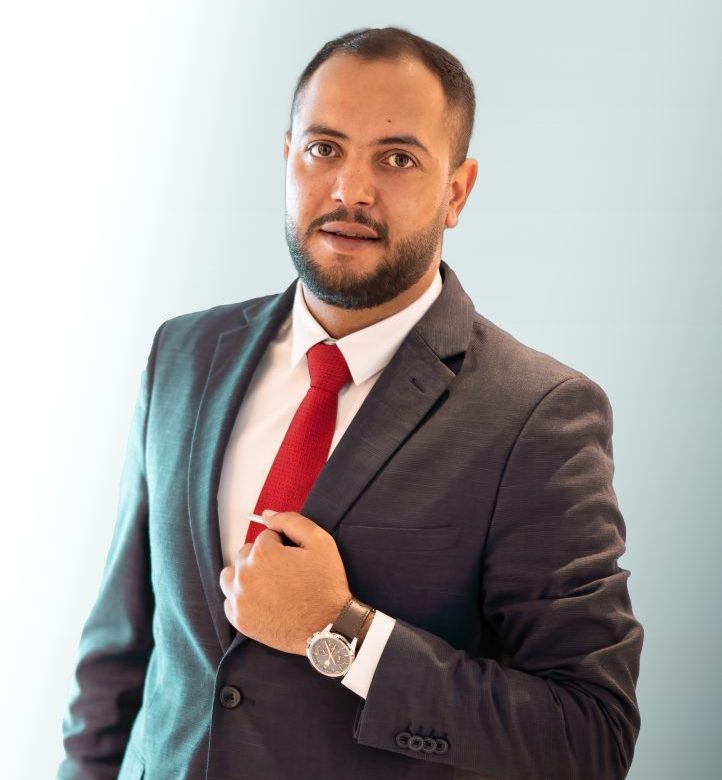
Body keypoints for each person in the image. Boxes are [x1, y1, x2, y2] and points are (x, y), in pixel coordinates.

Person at [58, 26, 643, 780]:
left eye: (397, 159)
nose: (349, 190)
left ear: (457, 191)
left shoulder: (539, 416)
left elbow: (588, 736)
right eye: (324, 148)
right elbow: (118, 656)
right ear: (287, 157)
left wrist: (342, 633)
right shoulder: (183, 354)